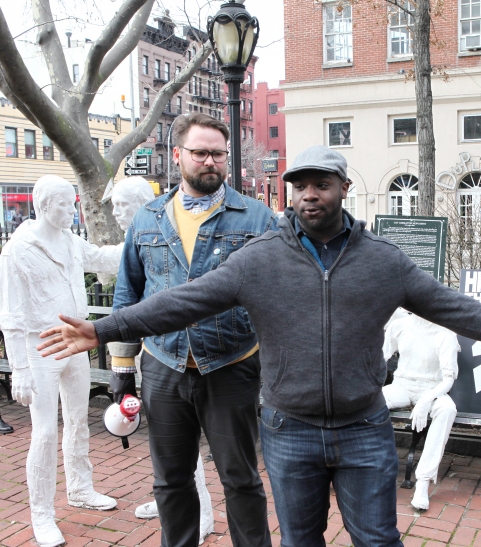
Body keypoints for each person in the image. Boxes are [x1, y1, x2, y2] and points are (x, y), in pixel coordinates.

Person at [37, 146, 481, 547]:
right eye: (299, 185)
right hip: (288, 430)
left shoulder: (383, 261)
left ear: (344, 187)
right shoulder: (259, 260)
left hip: (363, 428)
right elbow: (185, 301)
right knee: (301, 541)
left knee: (377, 539)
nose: (308, 195)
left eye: (321, 183)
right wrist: (106, 328)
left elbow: (449, 305)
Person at [99, 113, 276, 547]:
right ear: (177, 155)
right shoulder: (148, 220)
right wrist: (122, 372)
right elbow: (128, 299)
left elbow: (278, 301)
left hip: (232, 366)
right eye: (200, 153)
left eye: (219, 154)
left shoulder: (258, 219)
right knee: (170, 482)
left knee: (241, 479)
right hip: (163, 367)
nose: (210, 161)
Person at [0, 176, 121, 547]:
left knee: (77, 421)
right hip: (40, 349)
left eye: (73, 204)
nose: (72, 210)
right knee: (45, 432)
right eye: (65, 205)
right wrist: (19, 368)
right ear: (43, 206)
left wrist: (137, 236)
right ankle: (41, 513)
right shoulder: (18, 250)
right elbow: (11, 316)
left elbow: (102, 258)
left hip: (75, 345)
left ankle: (80, 489)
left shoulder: (69, 240)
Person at [109, 175, 215, 542]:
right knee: (166, 443)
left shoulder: (171, 231)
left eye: (121, 205)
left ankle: (202, 512)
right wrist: (122, 368)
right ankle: (170, 500)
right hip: (153, 355)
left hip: (186, 356)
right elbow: (126, 297)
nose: (115, 212)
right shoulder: (136, 237)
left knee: (187, 442)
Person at [383, 312, 460, 511]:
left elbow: (448, 379)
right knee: (368, 402)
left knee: (447, 408)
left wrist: (426, 400)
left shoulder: (445, 333)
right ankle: (373, 468)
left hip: (432, 388)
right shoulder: (399, 325)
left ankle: (423, 480)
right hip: (401, 385)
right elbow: (380, 355)